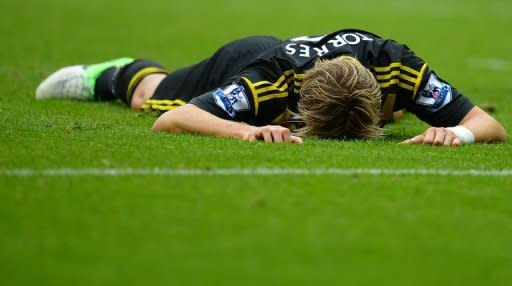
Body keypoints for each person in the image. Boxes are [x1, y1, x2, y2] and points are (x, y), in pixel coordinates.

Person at [35, 28, 507, 146]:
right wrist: (243, 131)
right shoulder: (269, 84)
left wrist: (457, 132)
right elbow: (170, 120)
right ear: (297, 106)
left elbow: (491, 126)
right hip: (247, 56)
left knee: (401, 111)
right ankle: (114, 71)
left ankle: (391, 113)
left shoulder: (398, 66)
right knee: (148, 95)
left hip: (342, 86)